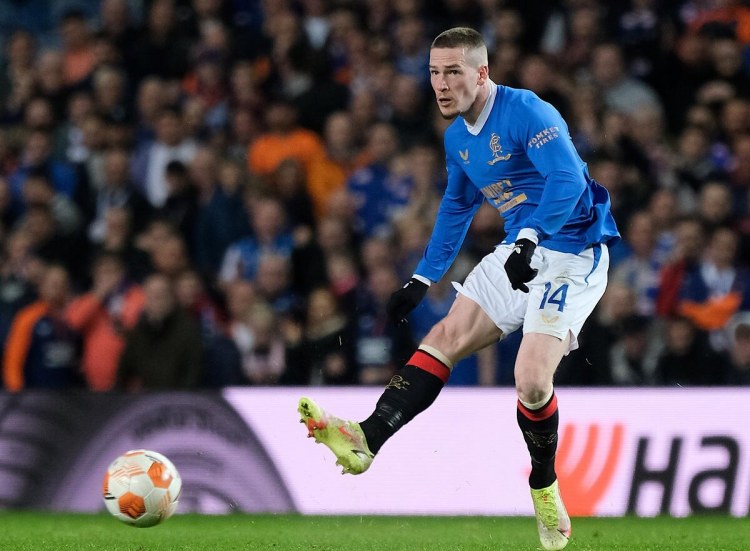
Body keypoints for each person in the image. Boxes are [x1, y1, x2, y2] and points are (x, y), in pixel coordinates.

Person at [297, 27, 619, 551]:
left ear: (481, 73)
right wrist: (423, 277)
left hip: (572, 251)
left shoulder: (527, 111)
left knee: (531, 381)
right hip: (520, 249)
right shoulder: (457, 138)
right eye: (434, 73)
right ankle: (366, 438)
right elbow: (457, 205)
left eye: (453, 72)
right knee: (444, 336)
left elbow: (567, 180)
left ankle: (543, 483)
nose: (441, 85)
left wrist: (531, 237)